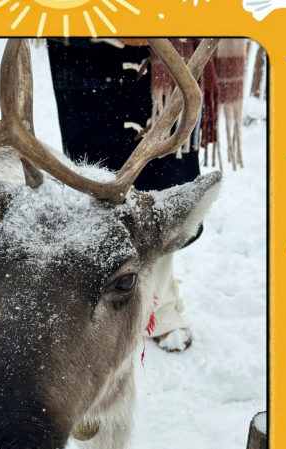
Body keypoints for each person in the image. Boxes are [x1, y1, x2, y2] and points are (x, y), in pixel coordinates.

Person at [47, 37, 212, 352]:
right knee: (101, 193)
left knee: (163, 196)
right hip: (89, 56)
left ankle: (158, 305)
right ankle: (100, 302)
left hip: (168, 56)